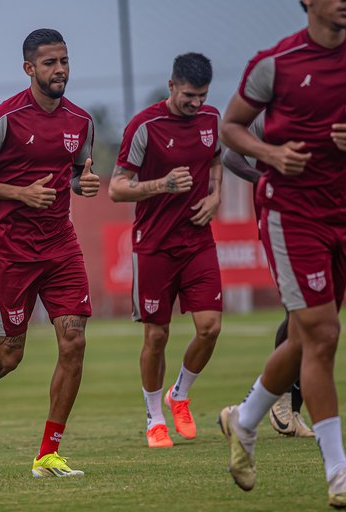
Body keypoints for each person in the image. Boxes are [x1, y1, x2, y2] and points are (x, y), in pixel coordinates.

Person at [217, 0, 346, 507]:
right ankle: (339, 474)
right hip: (288, 211)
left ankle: (243, 419)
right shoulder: (273, 65)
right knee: (323, 334)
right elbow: (229, 129)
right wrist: (271, 152)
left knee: (304, 339)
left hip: (343, 211)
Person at [0, 28, 100, 477]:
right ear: (29, 68)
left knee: (74, 341)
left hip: (60, 246)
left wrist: (83, 184)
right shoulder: (6, 119)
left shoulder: (81, 122)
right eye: (51, 63)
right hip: (11, 249)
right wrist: (19, 193)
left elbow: (76, 174)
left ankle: (48, 454)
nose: (61, 70)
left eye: (65, 61)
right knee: (9, 357)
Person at [221, 112, 346, 439]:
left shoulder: (345, 115)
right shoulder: (274, 113)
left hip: (328, 221)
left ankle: (258, 411)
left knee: (319, 318)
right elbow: (231, 155)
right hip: (283, 219)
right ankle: (281, 404)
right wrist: (262, 177)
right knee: (305, 313)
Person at [109, 53, 223, 448]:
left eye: (203, 96)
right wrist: (161, 185)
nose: (196, 103)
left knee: (210, 328)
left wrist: (216, 195)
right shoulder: (144, 126)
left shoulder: (211, 120)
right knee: (157, 336)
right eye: (189, 95)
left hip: (197, 241)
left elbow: (217, 159)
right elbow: (116, 188)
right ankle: (154, 418)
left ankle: (180, 394)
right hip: (154, 245)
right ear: (171, 85)